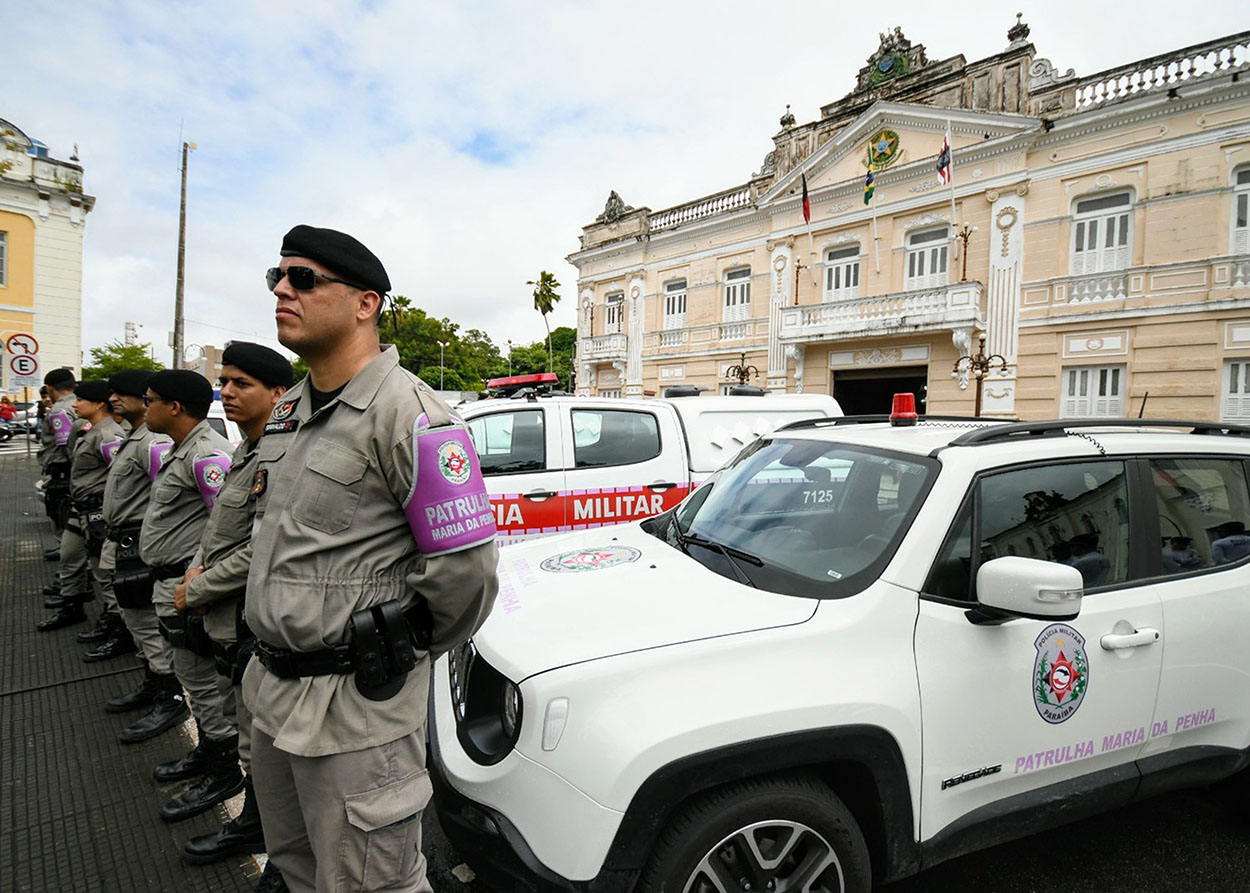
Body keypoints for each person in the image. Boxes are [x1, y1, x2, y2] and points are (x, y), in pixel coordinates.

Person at [243, 225, 499, 892]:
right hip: (272, 696)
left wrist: (392, 649)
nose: (280, 289)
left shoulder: (411, 414)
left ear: (365, 303)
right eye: (277, 275)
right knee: (297, 872)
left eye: (303, 278)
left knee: (372, 883)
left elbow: (466, 573)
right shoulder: (289, 412)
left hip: (355, 714)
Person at [174, 342, 292, 874]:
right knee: (245, 737)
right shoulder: (243, 451)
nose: (225, 393)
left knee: (265, 750)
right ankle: (255, 823)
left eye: (241, 384)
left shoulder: (279, 457)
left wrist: (199, 588)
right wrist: (195, 572)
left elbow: (261, 548)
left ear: (278, 394)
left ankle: (278, 853)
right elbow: (218, 528)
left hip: (254, 621)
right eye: (224, 382)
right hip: (223, 618)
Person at [139, 369, 243, 821]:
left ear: (174, 407)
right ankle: (210, 752)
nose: (145, 408)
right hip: (173, 586)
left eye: (150, 400)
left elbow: (224, 529)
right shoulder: (182, 451)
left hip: (192, 590)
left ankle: (223, 768)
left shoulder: (206, 456)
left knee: (203, 683)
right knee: (194, 681)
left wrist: (198, 584)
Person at [100, 371, 185, 742]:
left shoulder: (152, 443)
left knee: (151, 626)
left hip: (141, 546)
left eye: (125, 394)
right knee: (138, 621)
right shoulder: (134, 437)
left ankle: (170, 696)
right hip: (127, 543)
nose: (114, 399)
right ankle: (154, 683)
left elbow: (161, 499)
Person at [37, 373, 96, 630]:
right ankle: (72, 593)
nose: (76, 404)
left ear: (50, 388)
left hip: (68, 480)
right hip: (74, 484)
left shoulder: (60, 411)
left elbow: (66, 450)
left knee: (70, 542)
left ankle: (72, 588)